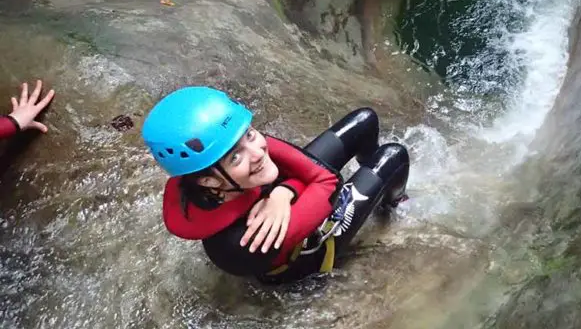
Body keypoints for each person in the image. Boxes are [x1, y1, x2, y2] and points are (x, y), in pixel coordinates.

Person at [142, 86, 410, 283]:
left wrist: (284, 191)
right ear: (209, 181)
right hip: (302, 254)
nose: (258, 151)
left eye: (249, 134)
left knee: (365, 119)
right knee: (393, 156)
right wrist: (292, 187)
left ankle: (379, 189)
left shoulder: (219, 164)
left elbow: (301, 171)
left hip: (282, 198)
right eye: (236, 156)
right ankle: (393, 206)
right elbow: (329, 182)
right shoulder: (241, 243)